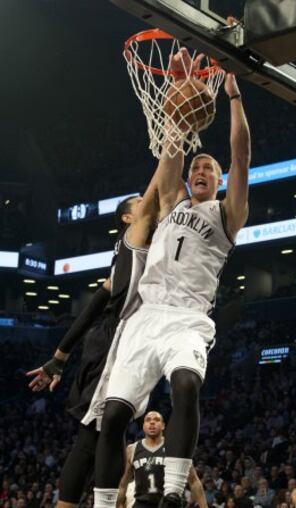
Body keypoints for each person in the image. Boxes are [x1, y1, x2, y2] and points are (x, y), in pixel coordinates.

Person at [93, 48, 250, 508]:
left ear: (218, 182)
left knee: (185, 386)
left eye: (209, 169)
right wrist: (176, 104)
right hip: (146, 316)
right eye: (197, 167)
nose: (201, 170)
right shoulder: (171, 201)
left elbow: (240, 155)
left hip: (187, 319)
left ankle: (175, 492)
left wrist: (234, 96)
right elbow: (170, 151)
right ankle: (103, 504)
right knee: (114, 416)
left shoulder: (227, 214)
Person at [26, 172, 160, 508]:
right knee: (95, 433)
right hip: (115, 339)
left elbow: (94, 305)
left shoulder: (128, 257)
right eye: (140, 204)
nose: (147, 204)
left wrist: (60, 355)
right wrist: (170, 143)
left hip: (124, 339)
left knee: (110, 429)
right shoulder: (134, 237)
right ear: (129, 219)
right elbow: (157, 191)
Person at [117, 411, 207, 508]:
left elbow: (193, 481)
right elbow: (123, 484)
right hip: (141, 504)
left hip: (169, 504)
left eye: (156, 420)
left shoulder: (175, 448)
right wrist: (119, 504)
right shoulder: (132, 449)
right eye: (148, 420)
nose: (152, 422)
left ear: (163, 426)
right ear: (143, 426)